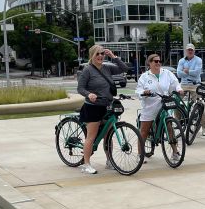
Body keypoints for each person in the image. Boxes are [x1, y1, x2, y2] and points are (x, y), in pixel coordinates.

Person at [76, 44, 128, 174]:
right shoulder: (87, 70)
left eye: (102, 54)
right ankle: (86, 164)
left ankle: (109, 161)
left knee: (108, 135)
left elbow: (124, 68)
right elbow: (80, 88)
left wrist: (113, 56)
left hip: (107, 106)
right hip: (93, 107)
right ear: (92, 56)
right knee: (91, 137)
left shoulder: (107, 68)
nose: (100, 56)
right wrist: (89, 94)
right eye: (97, 54)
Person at [137, 54, 184, 161]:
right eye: (155, 61)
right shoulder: (144, 76)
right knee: (144, 130)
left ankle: (175, 152)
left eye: (159, 61)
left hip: (164, 104)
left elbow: (175, 83)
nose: (158, 63)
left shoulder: (166, 73)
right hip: (150, 105)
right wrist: (144, 92)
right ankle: (140, 154)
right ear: (149, 63)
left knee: (169, 127)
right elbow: (138, 91)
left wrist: (179, 89)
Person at [177, 43, 205, 137]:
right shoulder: (181, 60)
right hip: (184, 84)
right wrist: (189, 73)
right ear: (186, 51)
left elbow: (197, 73)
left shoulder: (198, 60)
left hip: (195, 85)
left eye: (192, 50)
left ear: (194, 51)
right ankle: (177, 122)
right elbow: (178, 74)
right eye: (188, 50)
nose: (190, 51)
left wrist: (187, 71)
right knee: (176, 101)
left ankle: (204, 127)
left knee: (200, 104)